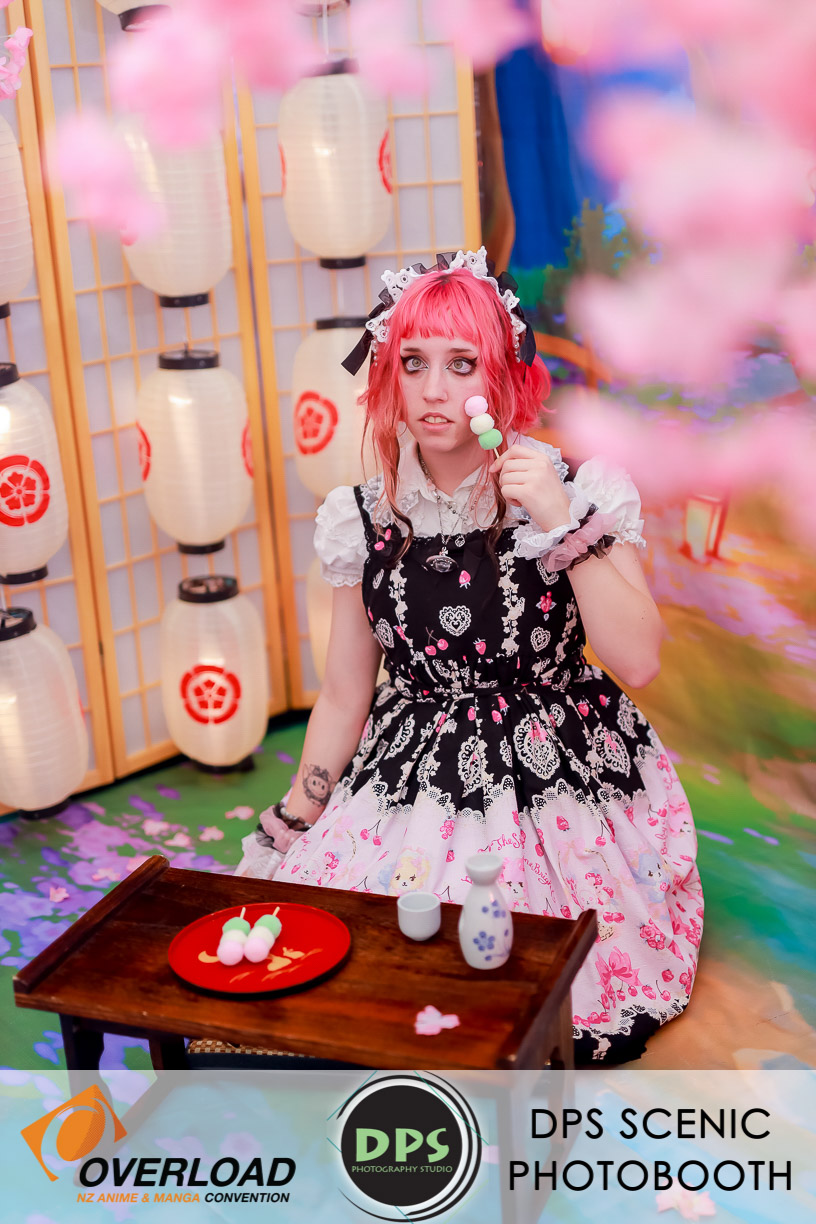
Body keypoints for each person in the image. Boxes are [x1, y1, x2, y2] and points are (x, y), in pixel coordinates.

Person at [236, 248, 703, 1065]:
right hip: (415, 767)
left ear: (504, 375)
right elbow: (345, 694)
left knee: (512, 974)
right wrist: (299, 813)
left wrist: (560, 520)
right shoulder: (361, 517)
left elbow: (640, 660)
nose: (433, 391)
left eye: (461, 364)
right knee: (369, 963)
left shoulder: (575, 487)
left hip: (557, 766)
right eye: (412, 363)